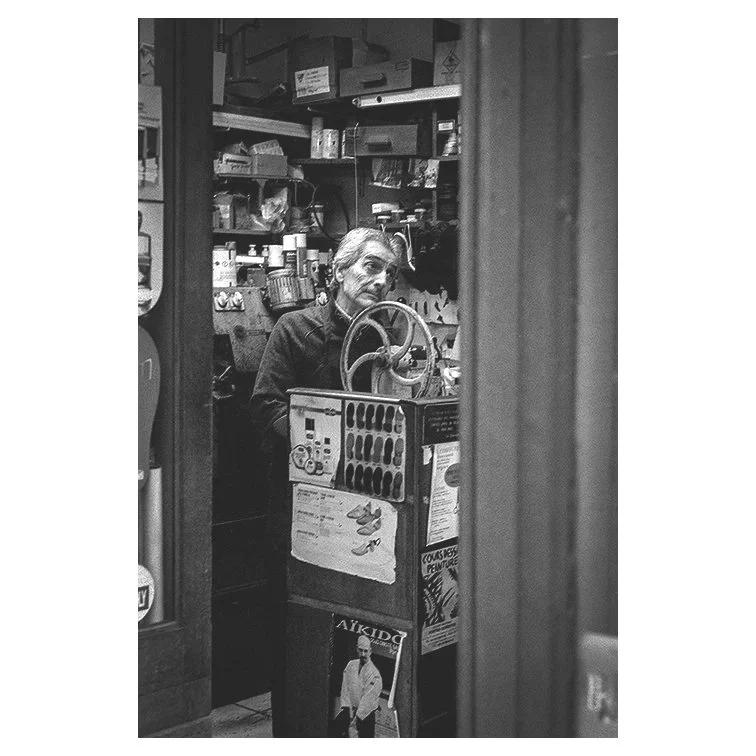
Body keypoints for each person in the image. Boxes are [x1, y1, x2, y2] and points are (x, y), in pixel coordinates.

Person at [250, 228, 400, 736]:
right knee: (295, 634)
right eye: (371, 266)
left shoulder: (385, 338)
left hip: (361, 509)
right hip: (300, 508)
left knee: (350, 625)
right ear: (339, 270)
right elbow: (265, 405)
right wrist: (318, 450)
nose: (381, 280)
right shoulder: (294, 329)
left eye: (388, 273)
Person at [333, 635, 383, 737]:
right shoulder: (351, 665)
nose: (363, 654)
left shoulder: (375, 674)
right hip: (349, 709)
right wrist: (347, 709)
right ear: (357, 649)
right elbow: (345, 687)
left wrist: (355, 719)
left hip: (365, 714)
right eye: (360, 650)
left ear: (370, 651)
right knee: (334, 731)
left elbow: (368, 699)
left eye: (365, 651)